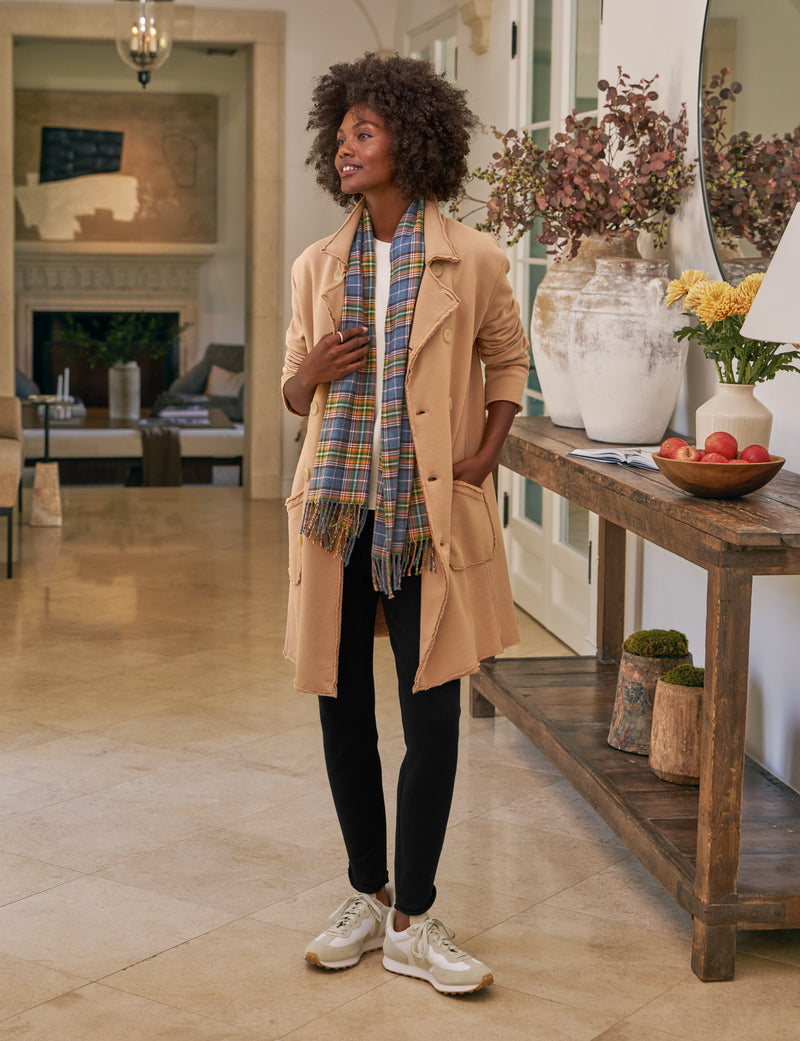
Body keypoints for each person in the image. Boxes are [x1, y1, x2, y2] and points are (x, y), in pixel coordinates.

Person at [281, 52, 530, 995]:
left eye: (365, 132)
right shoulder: (316, 266)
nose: (346, 147)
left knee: (432, 718)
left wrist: (487, 451)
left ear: (411, 143)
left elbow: (507, 361)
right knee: (341, 709)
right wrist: (315, 373)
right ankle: (365, 891)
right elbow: (292, 387)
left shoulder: (474, 259)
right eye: (340, 133)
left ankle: (415, 917)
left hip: (428, 517)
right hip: (337, 517)